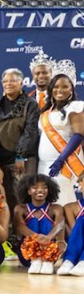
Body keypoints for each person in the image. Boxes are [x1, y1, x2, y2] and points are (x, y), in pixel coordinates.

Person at [0, 68, 40, 210]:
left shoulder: (30, 104)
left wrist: (20, 155)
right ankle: (8, 230)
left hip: (22, 160)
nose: (8, 84)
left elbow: (30, 132)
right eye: (5, 81)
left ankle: (24, 231)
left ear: (21, 83)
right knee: (3, 198)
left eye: (12, 80)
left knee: (22, 198)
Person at [38, 61, 84, 205]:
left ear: (71, 88)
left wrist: (60, 160)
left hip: (65, 164)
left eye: (65, 86)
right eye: (56, 86)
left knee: (64, 203)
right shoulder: (47, 111)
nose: (60, 90)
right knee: (49, 206)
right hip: (44, 165)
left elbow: (78, 135)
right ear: (51, 88)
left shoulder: (76, 107)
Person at [13, 174, 65, 274]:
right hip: (27, 255)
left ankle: (47, 261)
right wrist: (36, 237)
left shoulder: (56, 208)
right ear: (28, 191)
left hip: (49, 252)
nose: (40, 190)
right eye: (35, 187)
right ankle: (35, 260)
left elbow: (60, 224)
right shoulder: (20, 208)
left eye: (44, 187)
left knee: (45, 222)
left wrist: (48, 237)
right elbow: (19, 226)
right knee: (33, 221)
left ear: (49, 190)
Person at [59, 177, 84, 276]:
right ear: (80, 183)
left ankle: (78, 260)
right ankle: (69, 261)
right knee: (81, 221)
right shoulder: (69, 207)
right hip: (78, 244)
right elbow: (75, 233)